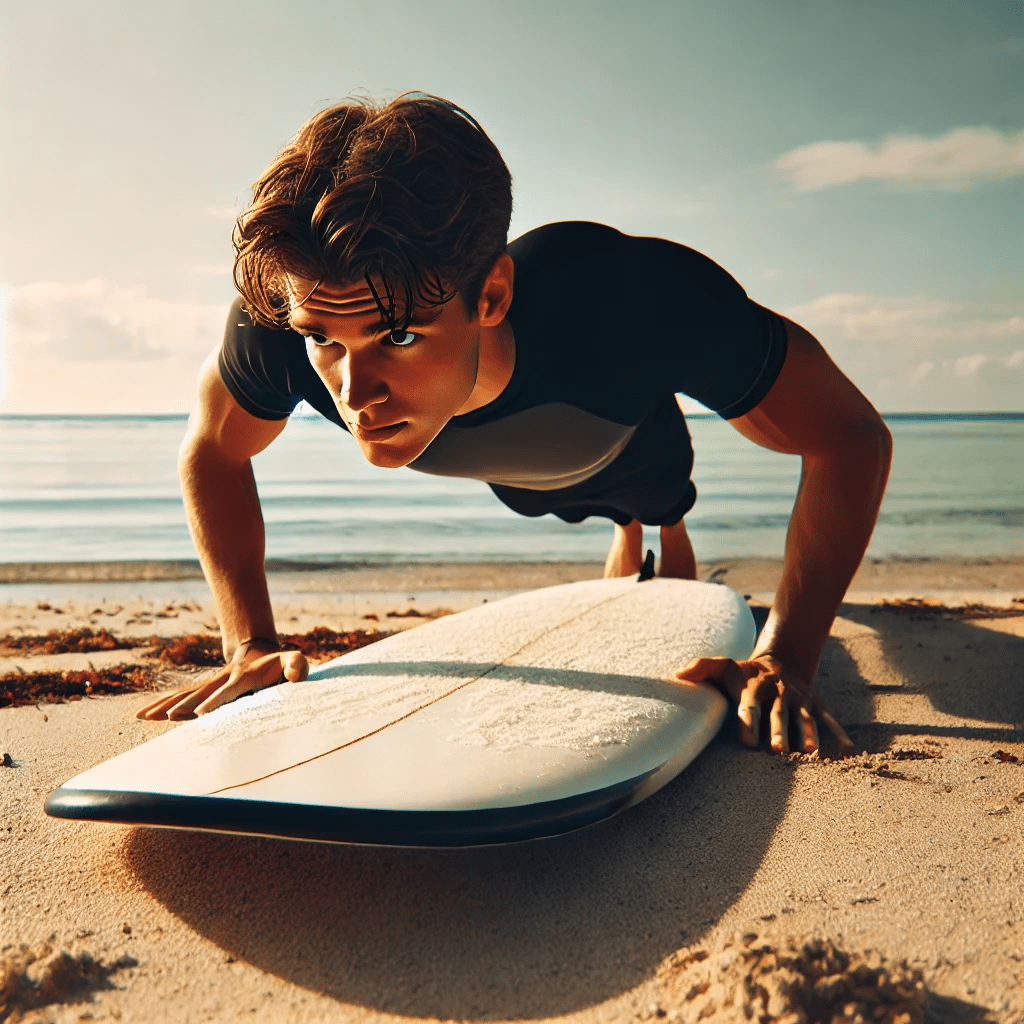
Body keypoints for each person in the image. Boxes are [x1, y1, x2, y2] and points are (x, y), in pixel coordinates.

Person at [138, 93, 891, 756]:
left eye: (398, 337)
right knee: (539, 497)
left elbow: (849, 438)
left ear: (492, 293)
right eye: (325, 341)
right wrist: (251, 644)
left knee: (657, 495)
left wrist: (788, 653)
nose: (353, 390)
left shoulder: (633, 301)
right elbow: (210, 449)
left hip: (627, 434)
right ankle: (623, 532)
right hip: (517, 473)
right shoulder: (289, 316)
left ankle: (656, 527)